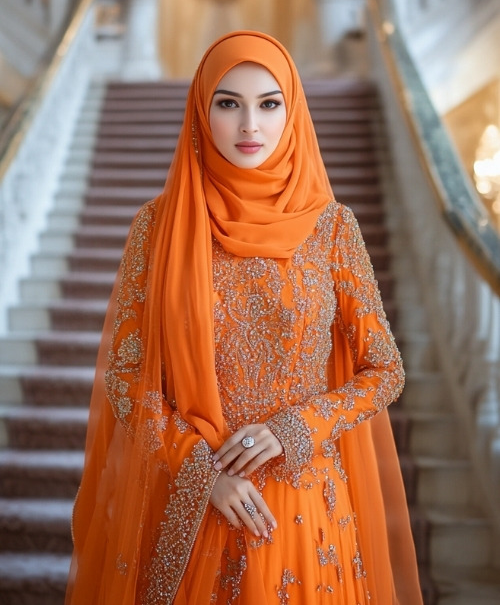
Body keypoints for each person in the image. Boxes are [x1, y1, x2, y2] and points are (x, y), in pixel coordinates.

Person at [66, 30, 424, 605]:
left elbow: (384, 371)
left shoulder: (332, 229)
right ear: (202, 113)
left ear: (292, 111)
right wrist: (201, 471)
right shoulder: (157, 228)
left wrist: (296, 429)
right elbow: (128, 378)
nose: (249, 125)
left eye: (269, 103)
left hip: (305, 509)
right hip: (195, 497)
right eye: (228, 103)